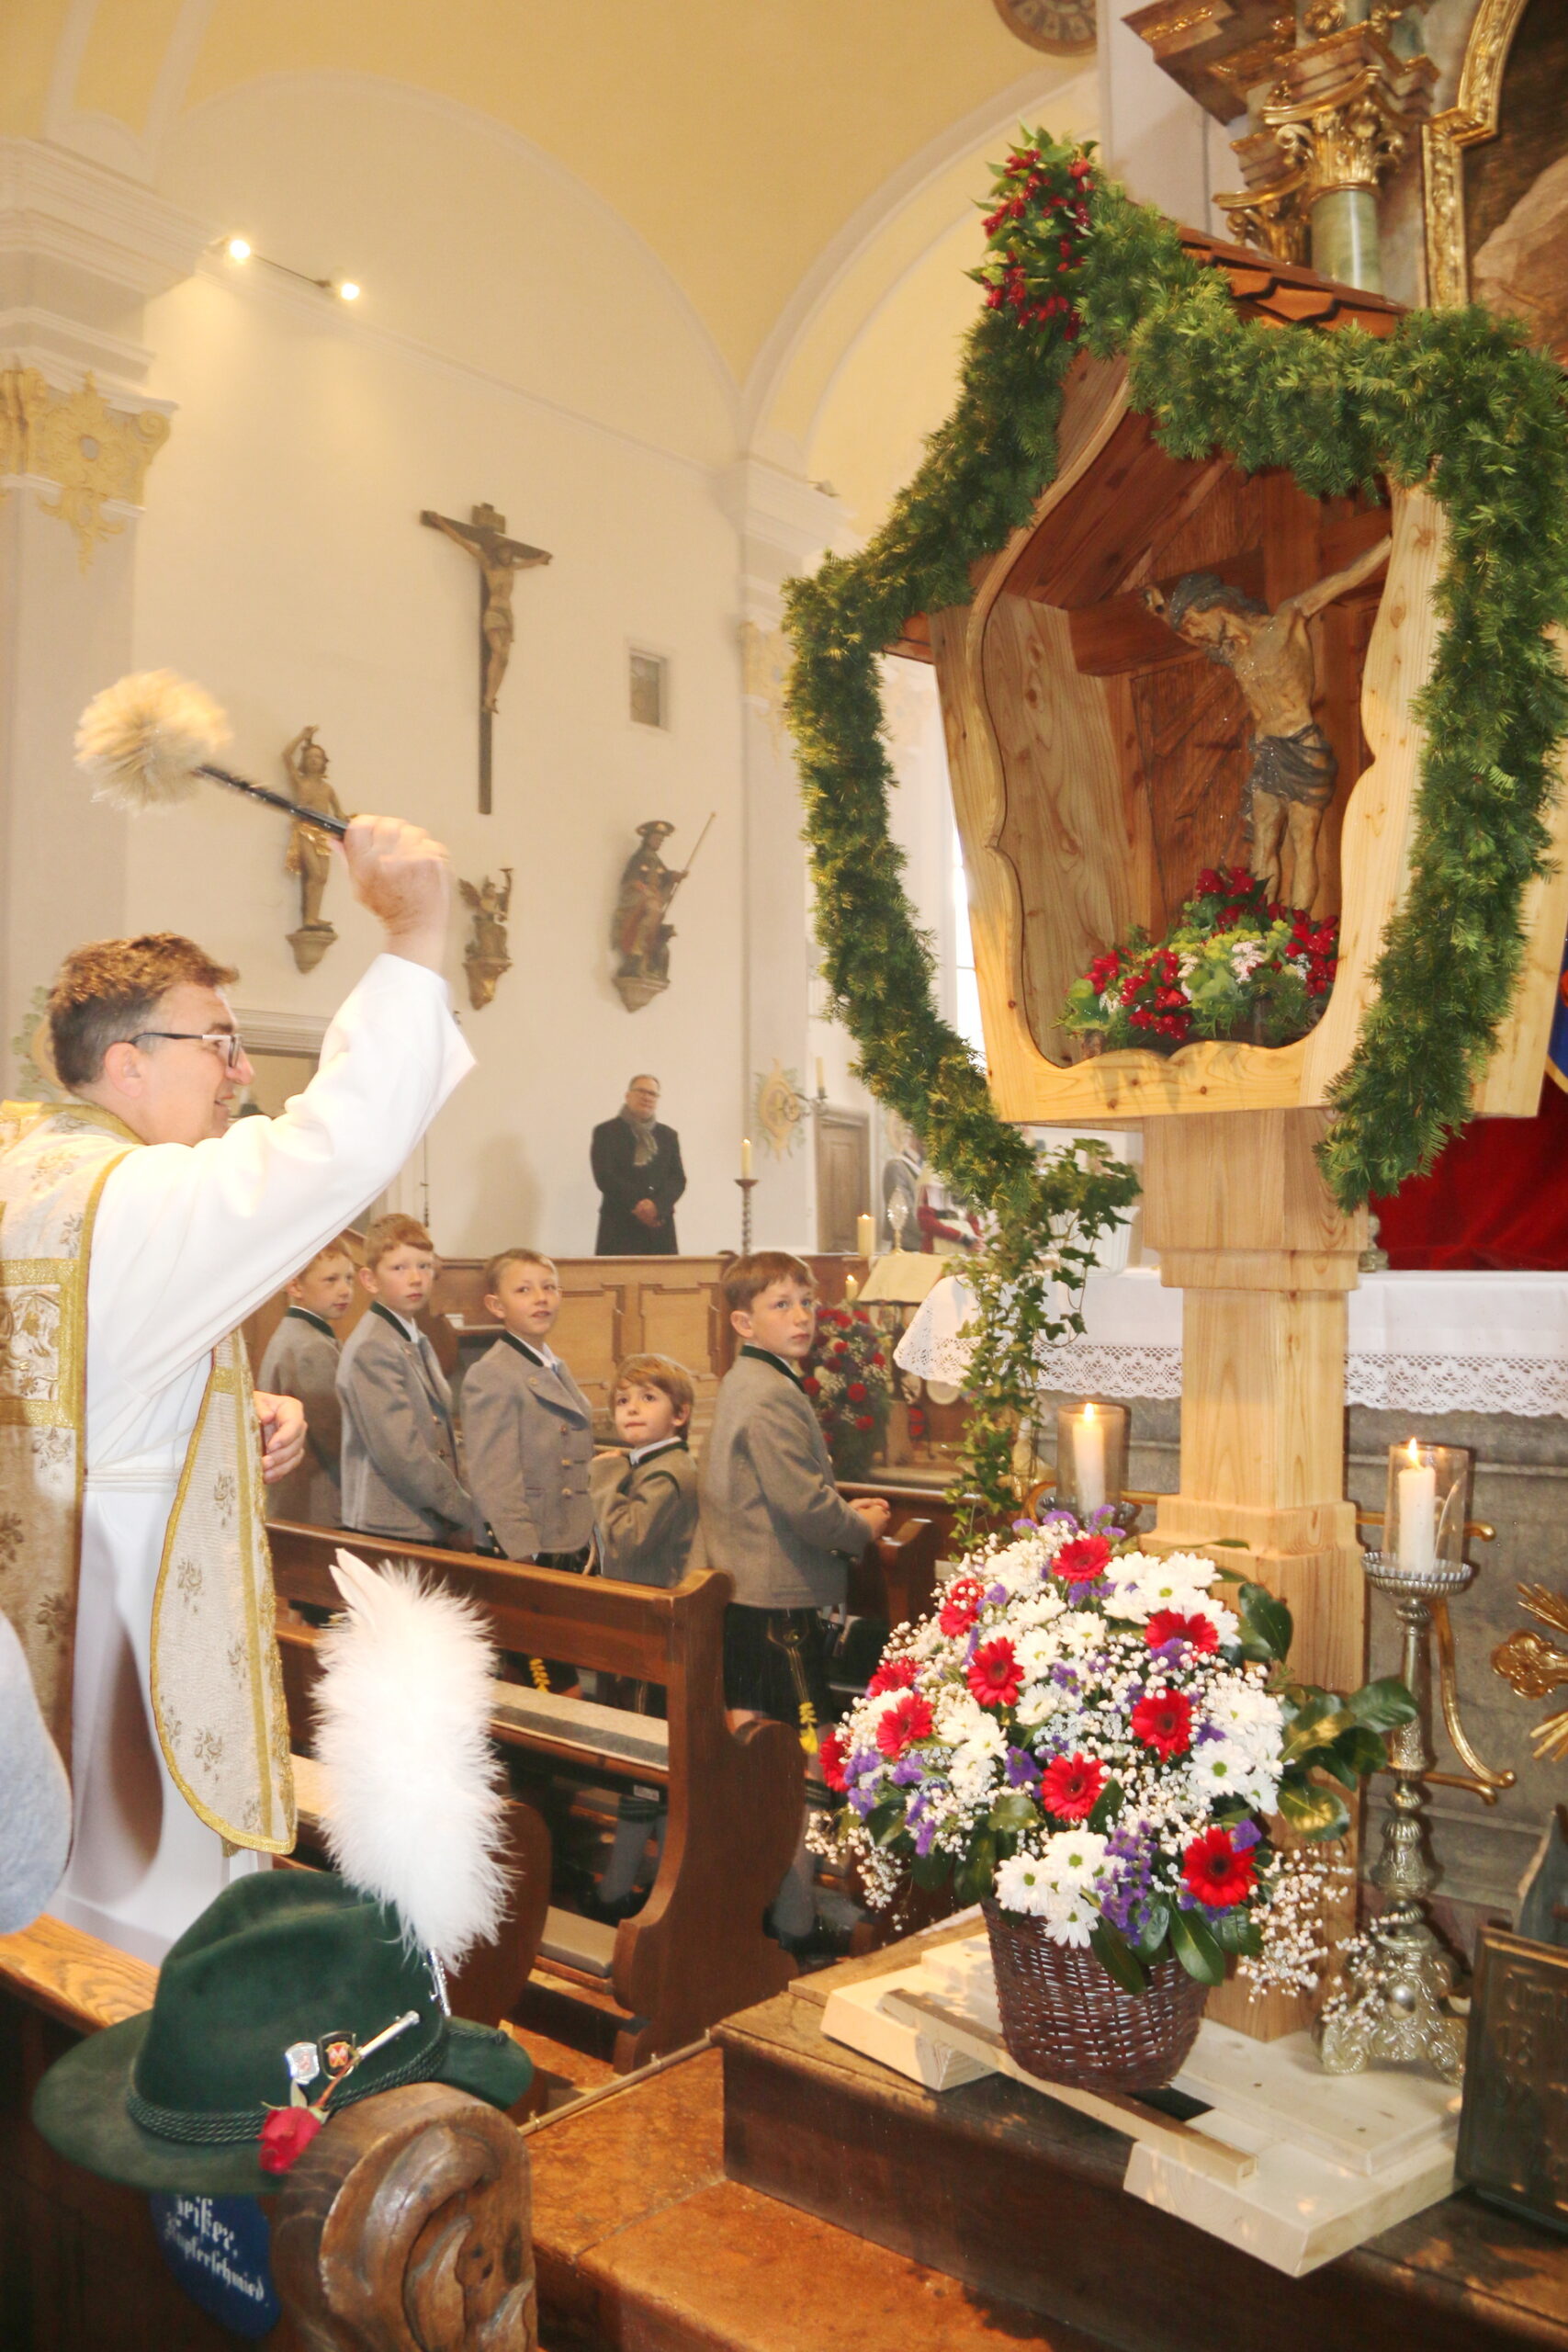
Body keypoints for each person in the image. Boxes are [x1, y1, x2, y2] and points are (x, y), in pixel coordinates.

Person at [0, 814, 469, 1963]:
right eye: (218, 1042)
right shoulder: (132, 1198)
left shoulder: (24, 1178)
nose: (242, 1071)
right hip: (123, 1681)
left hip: (27, 1667)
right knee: (149, 1968)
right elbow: (339, 1146)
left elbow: (80, 1387)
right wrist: (416, 932)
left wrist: (202, 1416)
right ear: (128, 1062)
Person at [698, 1250, 890, 1951]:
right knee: (810, 1754)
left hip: (748, 1594)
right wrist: (860, 1528)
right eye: (781, 1305)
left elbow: (775, 1491)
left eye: (805, 1302)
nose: (802, 1316)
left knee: (762, 1750)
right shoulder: (771, 1392)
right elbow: (802, 1505)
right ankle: (794, 1916)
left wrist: (838, 1507)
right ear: (743, 1323)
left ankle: (764, 1905)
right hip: (778, 1601)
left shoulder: (746, 1380)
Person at [1143, 537, 1391, 912]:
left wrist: (1392, 540)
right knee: (1263, 841)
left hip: (1302, 746)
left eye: (1194, 622)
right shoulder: (1233, 652)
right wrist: (1162, 612)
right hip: (1268, 752)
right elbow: (1191, 639)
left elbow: (1345, 577)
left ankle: (1300, 930)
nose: (1195, 634)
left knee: (1304, 843)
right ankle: (1260, 927)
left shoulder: (1287, 620)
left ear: (1213, 606)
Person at [586, 1352, 700, 1920]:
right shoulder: (648, 1464)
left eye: (648, 1399)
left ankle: (619, 1889)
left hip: (655, 1636)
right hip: (641, 1632)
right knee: (640, 1758)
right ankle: (647, 1881)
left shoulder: (667, 1472)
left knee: (641, 1758)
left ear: (680, 1414)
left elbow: (628, 1541)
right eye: (622, 1400)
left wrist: (604, 1478)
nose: (631, 1409)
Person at [337, 1215, 475, 1547]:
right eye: (399, 1268)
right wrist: (465, 1511)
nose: (415, 1279)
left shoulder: (411, 1335)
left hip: (424, 1517)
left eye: (424, 1266)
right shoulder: (374, 1346)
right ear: (370, 1279)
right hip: (392, 1525)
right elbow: (404, 1457)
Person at [463, 1250, 594, 1570]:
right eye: (524, 1290)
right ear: (496, 1305)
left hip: (564, 1538)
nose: (540, 1298)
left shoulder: (552, 1364)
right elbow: (495, 1481)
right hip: (529, 1549)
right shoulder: (492, 1373)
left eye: (549, 1287)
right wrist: (521, 1554)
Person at [257, 1236, 357, 1525]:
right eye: (331, 1280)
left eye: (349, 1278)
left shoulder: (301, 1334)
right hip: (315, 1504)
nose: (345, 1290)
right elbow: (335, 1435)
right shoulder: (310, 1346)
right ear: (295, 1286)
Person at [591, 1074, 685, 1255]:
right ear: (628, 1096)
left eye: (652, 1094)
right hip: (619, 1226)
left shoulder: (668, 1136)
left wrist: (657, 1206)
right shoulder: (606, 1132)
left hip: (659, 1227)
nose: (647, 1097)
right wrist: (641, 1206)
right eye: (641, 1091)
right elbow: (605, 1176)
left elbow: (677, 1179)